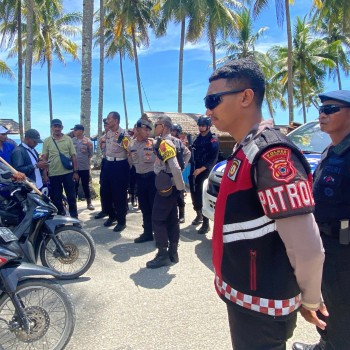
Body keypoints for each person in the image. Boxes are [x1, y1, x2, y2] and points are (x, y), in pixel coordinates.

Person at [205, 58, 326, 349]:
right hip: (245, 295)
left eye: (213, 100)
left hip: (262, 304)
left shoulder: (272, 153)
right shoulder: (246, 149)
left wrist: (310, 297)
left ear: (246, 97)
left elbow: (306, 244)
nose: (208, 110)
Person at [292, 90, 350, 350]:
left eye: (331, 109)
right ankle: (326, 343)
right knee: (327, 302)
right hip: (324, 243)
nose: (322, 114)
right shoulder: (331, 150)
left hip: (344, 247)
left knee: (342, 308)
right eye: (321, 109)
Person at [146, 116, 185, 269]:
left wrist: (179, 186)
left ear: (163, 126)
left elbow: (175, 167)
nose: (154, 127)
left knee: (157, 219)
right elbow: (187, 154)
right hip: (172, 184)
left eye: (156, 125)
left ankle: (163, 254)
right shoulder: (177, 141)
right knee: (171, 218)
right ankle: (173, 253)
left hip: (167, 186)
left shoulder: (165, 143)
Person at [42, 118, 79, 218]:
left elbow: (73, 156)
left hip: (68, 173)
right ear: (51, 128)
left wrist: (75, 172)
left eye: (59, 126)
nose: (57, 128)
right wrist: (45, 174)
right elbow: (44, 158)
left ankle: (75, 218)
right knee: (56, 198)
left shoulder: (68, 139)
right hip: (53, 174)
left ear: (62, 127)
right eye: (55, 126)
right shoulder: (47, 141)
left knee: (71, 197)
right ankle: (60, 218)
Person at [100, 111, 130, 232]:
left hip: (119, 165)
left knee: (119, 194)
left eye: (109, 118)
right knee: (106, 192)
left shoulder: (123, 134)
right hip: (108, 164)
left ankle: (121, 221)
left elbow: (129, 151)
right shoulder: (108, 133)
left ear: (116, 120)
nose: (107, 120)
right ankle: (112, 216)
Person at [189, 115, 219, 234]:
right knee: (194, 193)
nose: (200, 127)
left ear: (208, 126)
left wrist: (201, 169)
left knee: (203, 196)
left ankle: (206, 224)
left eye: (203, 125)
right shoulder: (196, 138)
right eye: (199, 125)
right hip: (194, 169)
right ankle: (198, 214)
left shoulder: (213, 139)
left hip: (205, 171)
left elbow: (213, 158)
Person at [128, 118, 156, 243]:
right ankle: (148, 233)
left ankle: (161, 235)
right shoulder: (131, 144)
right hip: (139, 178)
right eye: (145, 129)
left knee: (155, 207)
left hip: (152, 178)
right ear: (137, 129)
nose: (148, 132)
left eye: (149, 130)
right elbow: (130, 161)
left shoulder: (154, 143)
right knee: (144, 207)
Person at [170, 123, 191, 223]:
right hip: (168, 172)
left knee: (179, 194)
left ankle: (181, 214)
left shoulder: (179, 143)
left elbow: (188, 153)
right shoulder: (166, 141)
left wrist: (182, 167)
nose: (172, 133)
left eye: (174, 131)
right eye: (171, 131)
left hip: (177, 172)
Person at [71, 124, 95, 211]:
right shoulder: (71, 141)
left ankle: (89, 203)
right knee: (74, 186)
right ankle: (73, 204)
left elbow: (91, 154)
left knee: (86, 185)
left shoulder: (88, 142)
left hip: (84, 167)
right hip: (74, 168)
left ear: (80, 131)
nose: (74, 131)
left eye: (75, 130)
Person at [95, 118, 110, 219]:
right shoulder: (102, 138)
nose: (106, 126)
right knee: (103, 188)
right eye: (105, 125)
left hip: (116, 162)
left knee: (115, 189)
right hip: (105, 162)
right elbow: (101, 149)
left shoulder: (119, 136)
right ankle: (104, 210)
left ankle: (116, 212)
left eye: (107, 125)